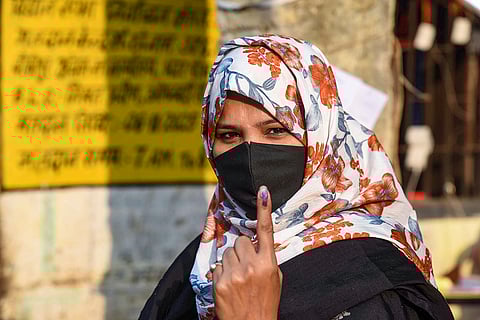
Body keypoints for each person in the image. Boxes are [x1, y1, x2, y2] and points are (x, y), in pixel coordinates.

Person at [139, 34, 453, 320]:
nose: (250, 153)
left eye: (276, 131)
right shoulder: (202, 259)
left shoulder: (376, 282)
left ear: (322, 140)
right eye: (229, 135)